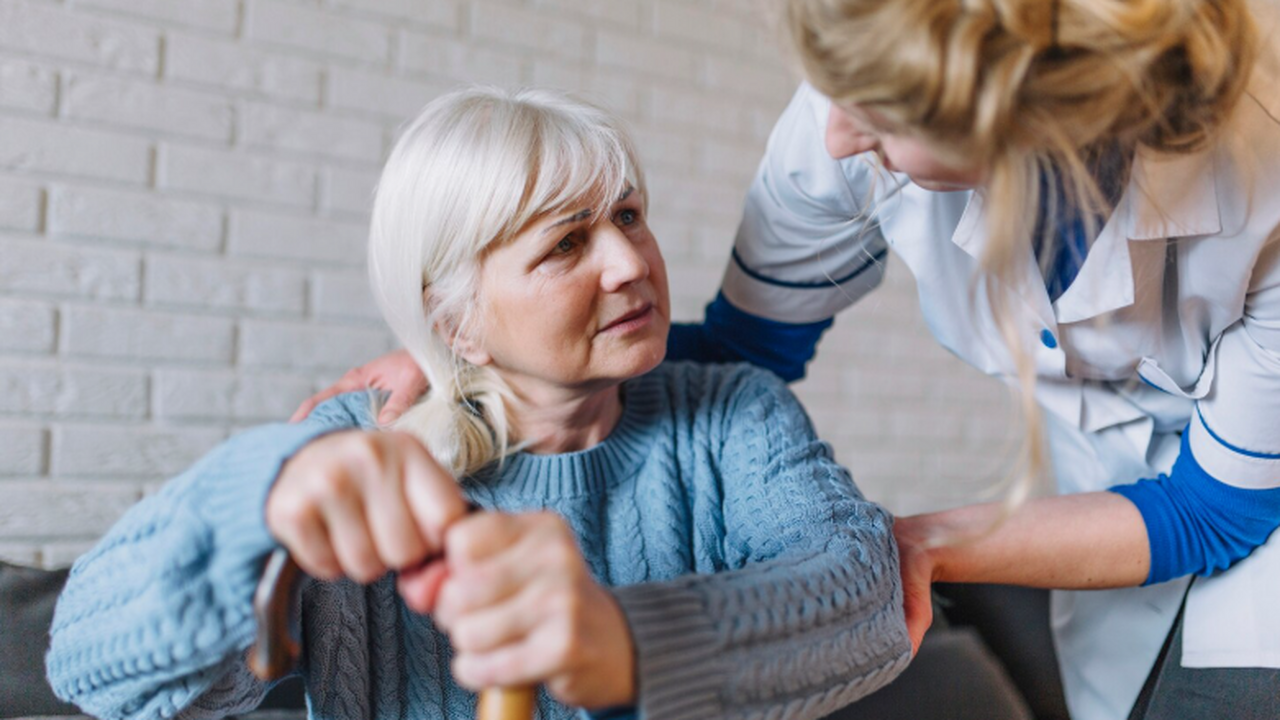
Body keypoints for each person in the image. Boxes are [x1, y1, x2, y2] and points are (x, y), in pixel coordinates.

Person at [299, 1, 1280, 718]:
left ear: (1018, 125)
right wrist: (470, 363)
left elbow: (1214, 508)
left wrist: (916, 544)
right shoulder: (842, 111)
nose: (837, 131)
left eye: (628, 218)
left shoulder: (1263, 181)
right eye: (562, 245)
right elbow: (741, 347)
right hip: (1116, 497)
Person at [45, 87, 912, 720]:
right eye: (566, 243)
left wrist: (621, 640)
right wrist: (248, 505)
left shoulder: (733, 417)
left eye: (628, 215)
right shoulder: (353, 458)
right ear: (455, 323)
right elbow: (93, 672)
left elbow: (868, 597)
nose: (629, 263)